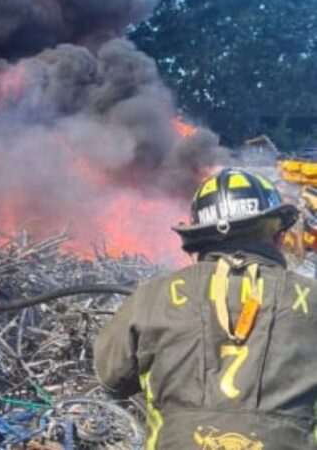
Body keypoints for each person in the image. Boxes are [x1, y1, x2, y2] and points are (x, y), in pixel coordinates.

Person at [95, 167, 316, 449]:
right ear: (277, 236)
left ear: (198, 240)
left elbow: (112, 379)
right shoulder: (311, 298)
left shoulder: (152, 297)